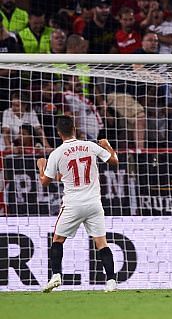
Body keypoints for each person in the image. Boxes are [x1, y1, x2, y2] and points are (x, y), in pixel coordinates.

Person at [37, 115, 119, 293]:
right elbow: (114, 162)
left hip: (73, 204)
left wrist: (41, 166)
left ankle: (56, 275)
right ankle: (111, 281)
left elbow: (45, 182)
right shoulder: (90, 146)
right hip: (93, 204)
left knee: (58, 240)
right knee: (101, 243)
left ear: (59, 133)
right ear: (75, 129)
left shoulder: (56, 153)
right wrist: (107, 145)